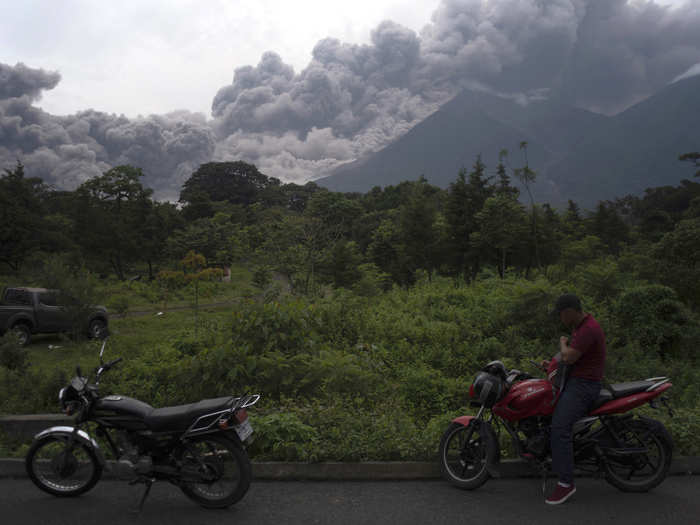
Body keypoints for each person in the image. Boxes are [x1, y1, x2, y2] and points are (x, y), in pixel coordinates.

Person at [544, 293, 606, 505]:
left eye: (561, 314)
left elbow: (569, 356)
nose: (560, 318)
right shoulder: (581, 327)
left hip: (584, 386)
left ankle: (566, 484)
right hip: (579, 382)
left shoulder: (587, 329)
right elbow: (574, 358)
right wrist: (552, 364)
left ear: (570, 311)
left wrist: (562, 344)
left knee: (559, 428)